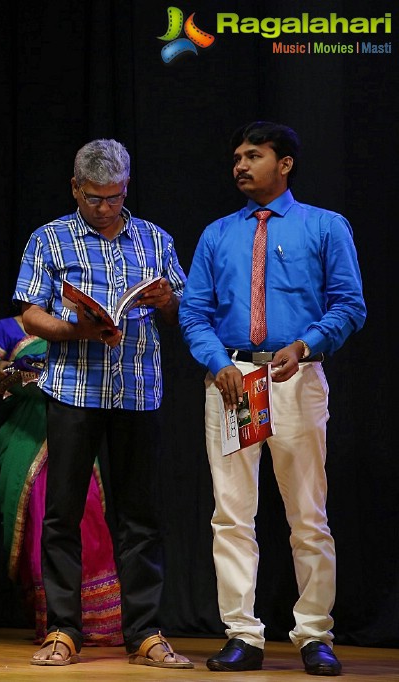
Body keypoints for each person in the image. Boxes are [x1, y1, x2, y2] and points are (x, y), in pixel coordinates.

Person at [179, 121, 365, 676]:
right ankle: (243, 634)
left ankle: (314, 635)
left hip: (296, 378)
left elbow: (349, 304)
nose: (239, 164)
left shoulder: (325, 227)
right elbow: (194, 312)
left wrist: (305, 345)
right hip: (234, 380)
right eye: (236, 156)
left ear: (284, 164)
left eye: (252, 155)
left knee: (308, 515)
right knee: (232, 515)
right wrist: (217, 365)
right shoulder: (217, 234)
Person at [12, 138, 192, 668]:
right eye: (94, 198)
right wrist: (77, 329)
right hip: (73, 391)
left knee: (141, 517)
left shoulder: (154, 239)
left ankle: (146, 633)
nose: (105, 208)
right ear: (75, 188)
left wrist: (166, 300)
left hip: (138, 390)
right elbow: (29, 313)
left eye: (114, 197)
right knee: (62, 515)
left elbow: (182, 307)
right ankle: (65, 631)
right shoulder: (49, 239)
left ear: (126, 188)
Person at [0, 313, 122, 647]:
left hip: (75, 431)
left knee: (88, 522)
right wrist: (10, 370)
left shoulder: (80, 324)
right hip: (27, 437)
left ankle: (98, 623)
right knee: (40, 523)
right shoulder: (9, 328)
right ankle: (57, 623)